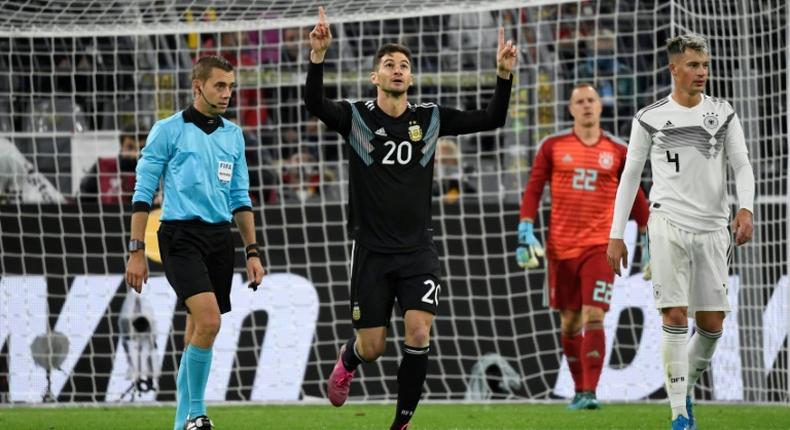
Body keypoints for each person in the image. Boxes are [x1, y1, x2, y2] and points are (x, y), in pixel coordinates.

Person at [304, 7, 516, 430]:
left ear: (412, 78)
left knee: (419, 334)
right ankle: (349, 360)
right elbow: (314, 103)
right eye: (389, 65)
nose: (397, 70)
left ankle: (401, 423)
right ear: (375, 78)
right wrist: (318, 56)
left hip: (418, 250)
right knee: (373, 346)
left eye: (404, 66)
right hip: (371, 253)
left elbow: (492, 118)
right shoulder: (357, 118)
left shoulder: (430, 118)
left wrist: (503, 76)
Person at [606, 34, 754, 430]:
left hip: (713, 230)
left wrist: (745, 207)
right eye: (693, 65)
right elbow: (630, 177)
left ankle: (682, 385)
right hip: (667, 223)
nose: (702, 71)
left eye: (705, 64)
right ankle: (679, 413)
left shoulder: (723, 113)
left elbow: (741, 166)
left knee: (712, 324)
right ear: (674, 68)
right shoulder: (649, 118)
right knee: (673, 314)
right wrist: (616, 233)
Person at [124, 55, 265, 430]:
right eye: (220, 85)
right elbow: (142, 192)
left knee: (197, 330)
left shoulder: (233, 135)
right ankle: (198, 413)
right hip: (179, 235)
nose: (227, 94)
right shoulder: (167, 130)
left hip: (220, 239)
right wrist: (136, 251)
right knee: (209, 320)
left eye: (231, 86)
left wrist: (252, 251)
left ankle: (180, 423)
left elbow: (240, 196)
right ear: (197, 86)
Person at [517, 83, 650, 410]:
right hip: (560, 250)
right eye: (580, 101)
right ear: (571, 109)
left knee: (594, 315)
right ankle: (579, 390)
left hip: (600, 247)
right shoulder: (552, 146)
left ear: (600, 107)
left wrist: (648, 233)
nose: (587, 105)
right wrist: (525, 227)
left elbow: (634, 193)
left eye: (592, 100)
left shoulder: (618, 150)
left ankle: (590, 391)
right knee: (570, 323)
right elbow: (534, 190)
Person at [78, 126, 147, 204]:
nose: (135, 153)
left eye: (141, 148)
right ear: (121, 146)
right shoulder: (102, 166)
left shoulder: (152, 173)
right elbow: (83, 197)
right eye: (130, 148)